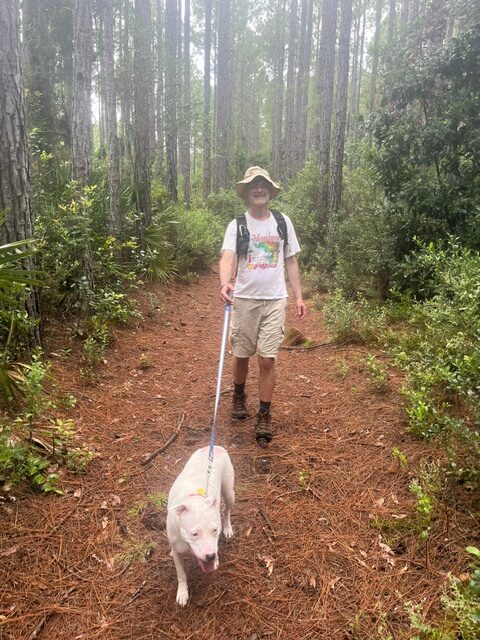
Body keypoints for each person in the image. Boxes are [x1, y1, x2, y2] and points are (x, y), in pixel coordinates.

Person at [219, 166, 306, 447]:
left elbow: (291, 260)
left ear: (270, 190)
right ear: (246, 192)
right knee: (242, 354)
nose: (259, 188)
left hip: (274, 299)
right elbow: (228, 256)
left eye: (264, 184)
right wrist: (224, 282)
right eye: (254, 185)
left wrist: (298, 296)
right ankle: (238, 395)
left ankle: (265, 414)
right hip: (244, 298)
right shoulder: (237, 225)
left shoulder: (282, 222)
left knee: (267, 359)